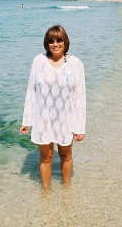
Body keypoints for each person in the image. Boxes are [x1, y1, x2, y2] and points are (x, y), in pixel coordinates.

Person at [19, 25, 86, 188]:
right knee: (46, 157)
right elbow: (31, 91)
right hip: (43, 118)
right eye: (51, 41)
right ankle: (46, 194)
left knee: (66, 155)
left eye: (59, 40)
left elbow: (80, 97)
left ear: (65, 41)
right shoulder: (38, 61)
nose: (55, 44)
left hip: (66, 119)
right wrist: (27, 120)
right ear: (46, 43)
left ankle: (67, 191)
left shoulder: (75, 64)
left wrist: (79, 127)